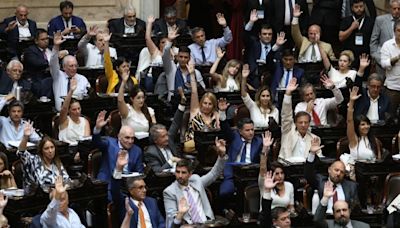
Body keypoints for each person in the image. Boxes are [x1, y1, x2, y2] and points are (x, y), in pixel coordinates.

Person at [163, 138, 228, 225]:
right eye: (177, 172)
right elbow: (172, 222)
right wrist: (181, 213)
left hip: (206, 224)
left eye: (183, 172)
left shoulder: (196, 180)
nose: (180, 176)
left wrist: (221, 155)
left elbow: (214, 174)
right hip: (188, 226)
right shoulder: (169, 192)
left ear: (190, 174)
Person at [92, 110, 144, 200]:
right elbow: (97, 142)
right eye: (127, 138)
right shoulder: (109, 143)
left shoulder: (137, 150)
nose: (130, 141)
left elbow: (139, 172)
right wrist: (97, 129)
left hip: (128, 186)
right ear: (119, 137)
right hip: (108, 184)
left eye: (132, 138)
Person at [17, 122, 70, 195]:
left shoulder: (57, 162)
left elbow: (67, 180)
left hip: (58, 194)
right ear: (41, 150)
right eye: (46, 148)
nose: (50, 151)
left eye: (52, 147)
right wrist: (26, 137)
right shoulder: (34, 160)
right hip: (38, 196)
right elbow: (21, 153)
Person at [279, 78, 323, 162]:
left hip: (306, 170)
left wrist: (313, 153)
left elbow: (319, 159)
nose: (303, 125)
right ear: (295, 123)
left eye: (306, 122)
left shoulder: (314, 138)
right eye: (300, 122)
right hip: (288, 168)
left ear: (309, 124)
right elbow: (286, 116)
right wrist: (288, 94)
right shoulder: (288, 132)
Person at [111, 161, 165, 227]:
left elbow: (161, 223)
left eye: (145, 187)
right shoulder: (125, 204)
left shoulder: (152, 202)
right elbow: (114, 190)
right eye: (140, 188)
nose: (144, 190)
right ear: (131, 190)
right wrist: (119, 169)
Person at [50, 32, 90, 111]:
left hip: (77, 113)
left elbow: (86, 96)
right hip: (60, 113)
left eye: (75, 65)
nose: (74, 68)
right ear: (64, 67)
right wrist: (56, 46)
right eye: (71, 66)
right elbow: (53, 62)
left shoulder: (82, 79)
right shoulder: (58, 76)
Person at [183, 64, 219, 153]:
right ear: (201, 103)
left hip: (211, 146)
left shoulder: (216, 115)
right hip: (194, 144)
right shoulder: (195, 112)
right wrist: (191, 75)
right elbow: (194, 92)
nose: (206, 106)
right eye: (205, 103)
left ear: (213, 105)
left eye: (210, 104)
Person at [162, 29, 205, 101]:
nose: (183, 59)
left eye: (185, 57)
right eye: (181, 57)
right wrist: (169, 41)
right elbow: (165, 55)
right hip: (174, 103)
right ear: (177, 57)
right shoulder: (171, 69)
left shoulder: (195, 72)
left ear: (189, 58)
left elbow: (203, 90)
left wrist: (196, 85)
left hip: (192, 101)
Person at [144, 102, 185, 173]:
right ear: (155, 140)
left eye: (166, 135)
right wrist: (171, 161)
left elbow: (175, 123)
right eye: (163, 136)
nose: (167, 138)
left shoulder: (170, 141)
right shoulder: (151, 152)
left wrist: (182, 104)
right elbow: (157, 172)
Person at [58, 78, 90, 165]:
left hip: (81, 150)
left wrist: (80, 153)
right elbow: (64, 108)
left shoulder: (85, 121)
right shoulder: (64, 120)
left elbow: (85, 141)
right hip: (67, 150)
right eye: (74, 109)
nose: (77, 111)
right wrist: (71, 91)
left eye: (79, 109)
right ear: (69, 111)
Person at [243, 10, 279, 88]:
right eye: (264, 34)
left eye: (269, 34)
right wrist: (251, 22)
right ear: (259, 35)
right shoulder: (253, 43)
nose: (267, 36)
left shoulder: (276, 45)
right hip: (255, 75)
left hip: (271, 75)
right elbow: (245, 37)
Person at [118, 73, 156, 142]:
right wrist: (123, 82)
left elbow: (154, 129)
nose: (141, 100)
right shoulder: (128, 110)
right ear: (132, 99)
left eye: (143, 98)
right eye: (138, 98)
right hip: (129, 142)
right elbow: (120, 100)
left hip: (145, 142)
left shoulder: (149, 111)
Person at [347, 86, 381, 161]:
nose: (366, 126)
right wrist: (351, 101)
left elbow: (378, 159)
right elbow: (349, 121)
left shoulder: (374, 140)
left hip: (371, 170)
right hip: (358, 169)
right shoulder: (354, 139)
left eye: (367, 124)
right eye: (363, 124)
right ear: (357, 126)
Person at [339, 0, 374, 72]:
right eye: (356, 7)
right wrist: (351, 28)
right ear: (352, 8)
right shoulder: (346, 20)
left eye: (361, 6)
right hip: (350, 55)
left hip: (364, 56)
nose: (359, 9)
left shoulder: (371, 21)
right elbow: (341, 37)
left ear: (364, 6)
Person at [241, 64, 279, 128]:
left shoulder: (275, 110)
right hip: (255, 135)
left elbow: (275, 127)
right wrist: (244, 78)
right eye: (263, 96)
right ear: (259, 97)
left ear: (270, 97)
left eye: (267, 96)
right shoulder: (253, 106)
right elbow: (244, 94)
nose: (265, 98)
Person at [23, 28, 54, 98]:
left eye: (47, 39)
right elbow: (38, 63)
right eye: (43, 39)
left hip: (54, 76)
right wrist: (54, 60)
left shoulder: (52, 49)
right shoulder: (30, 51)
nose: (46, 41)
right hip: (38, 79)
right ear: (36, 41)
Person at [370, 0, 400, 70]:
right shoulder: (380, 20)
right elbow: (373, 41)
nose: (397, 11)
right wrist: (377, 57)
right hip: (381, 59)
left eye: (399, 9)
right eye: (394, 8)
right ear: (390, 9)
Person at [380, 19, 400, 117]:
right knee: (389, 117)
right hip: (392, 87)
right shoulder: (387, 45)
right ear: (394, 31)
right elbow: (384, 64)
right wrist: (397, 58)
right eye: (399, 30)